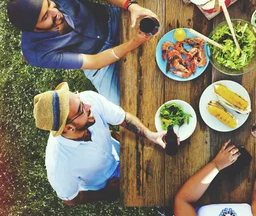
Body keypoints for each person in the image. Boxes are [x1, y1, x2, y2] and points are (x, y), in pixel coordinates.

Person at [7, 0, 157, 105]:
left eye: (50, 4)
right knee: (123, 106)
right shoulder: (36, 53)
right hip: (98, 62)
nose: (56, 12)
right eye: (46, 16)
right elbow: (93, 62)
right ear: (34, 29)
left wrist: (131, 6)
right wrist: (134, 43)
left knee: (155, 16)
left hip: (111, 20)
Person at [33, 81, 165, 205]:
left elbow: (123, 118)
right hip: (109, 180)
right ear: (68, 128)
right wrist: (106, 192)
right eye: (81, 109)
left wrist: (151, 135)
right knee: (152, 193)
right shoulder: (59, 165)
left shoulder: (89, 99)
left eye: (79, 98)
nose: (88, 106)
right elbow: (70, 200)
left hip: (116, 148)